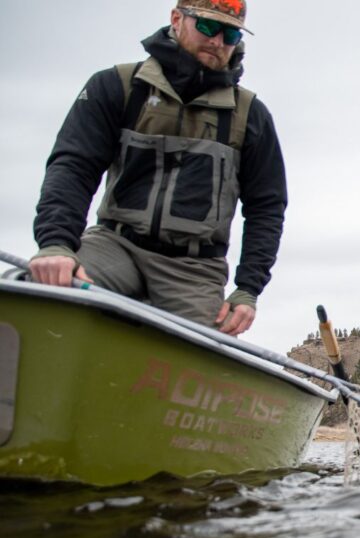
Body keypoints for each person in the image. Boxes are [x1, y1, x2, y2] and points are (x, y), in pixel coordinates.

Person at [30, 0, 286, 336]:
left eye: (231, 34)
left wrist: (248, 288)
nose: (217, 41)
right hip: (113, 245)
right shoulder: (116, 86)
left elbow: (267, 206)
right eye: (208, 27)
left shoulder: (251, 115)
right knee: (36, 290)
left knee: (205, 349)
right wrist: (56, 243)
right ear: (176, 19)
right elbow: (74, 167)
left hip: (194, 270)